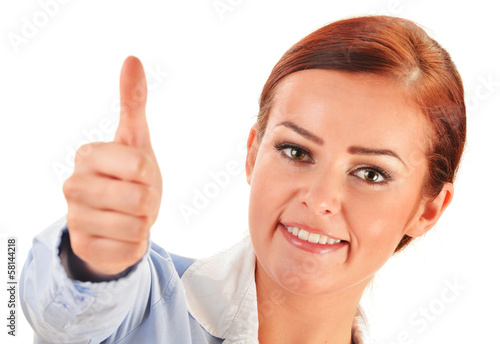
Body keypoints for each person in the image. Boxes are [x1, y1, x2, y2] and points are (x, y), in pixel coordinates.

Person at [20, 15, 466, 344]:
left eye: (371, 173)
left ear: (428, 209)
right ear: (254, 153)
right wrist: (91, 261)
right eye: (296, 151)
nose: (319, 198)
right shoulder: (145, 307)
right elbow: (65, 316)